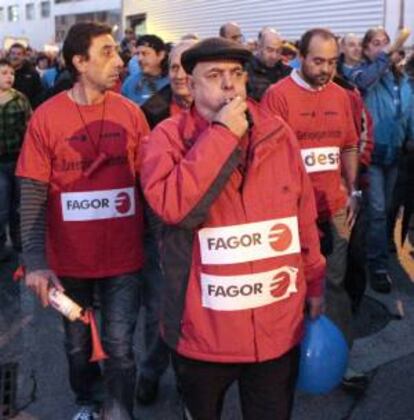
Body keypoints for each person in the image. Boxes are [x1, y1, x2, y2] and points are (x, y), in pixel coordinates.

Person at [140, 37, 325, 420]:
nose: (229, 84)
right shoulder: (166, 139)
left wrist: (315, 281)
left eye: (237, 73)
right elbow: (174, 207)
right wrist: (222, 134)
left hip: (275, 330)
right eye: (214, 75)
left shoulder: (279, 134)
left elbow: (302, 217)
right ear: (190, 86)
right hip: (203, 336)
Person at [16, 22, 150, 420]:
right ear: (79, 61)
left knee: (120, 346)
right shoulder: (46, 118)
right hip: (68, 264)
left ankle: (118, 411)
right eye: (107, 51)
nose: (120, 60)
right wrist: (37, 262)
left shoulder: (132, 115)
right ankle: (87, 402)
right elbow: (33, 195)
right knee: (77, 346)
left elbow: (150, 185)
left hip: (124, 261)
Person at [262, 28, 367, 389]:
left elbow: (350, 146)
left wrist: (354, 190)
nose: (325, 69)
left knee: (334, 286)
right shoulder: (277, 97)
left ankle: (338, 361)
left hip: (335, 208)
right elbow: (267, 159)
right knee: (290, 289)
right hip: (291, 215)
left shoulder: (342, 96)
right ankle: (284, 364)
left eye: (332, 61)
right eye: (318, 60)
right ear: (300, 57)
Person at [342, 27, 414, 293]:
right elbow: (363, 82)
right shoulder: (361, 73)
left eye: (386, 43)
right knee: (378, 212)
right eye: (376, 44)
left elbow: (408, 111)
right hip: (372, 155)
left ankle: (378, 255)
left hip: (395, 153)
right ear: (366, 49)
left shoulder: (401, 79)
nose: (383, 48)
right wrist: (387, 56)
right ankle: (376, 266)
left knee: (385, 215)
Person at [0, 59, 31, 261]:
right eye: (3, 73)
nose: (9, 76)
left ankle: (20, 242)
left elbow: (29, 127)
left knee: (18, 205)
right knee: (1, 206)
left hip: (17, 159)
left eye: (11, 73)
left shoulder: (20, 99)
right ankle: (1, 244)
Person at [121, 35, 169, 106]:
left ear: (160, 55)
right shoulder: (129, 83)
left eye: (145, 53)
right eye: (137, 54)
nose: (139, 58)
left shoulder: (174, 80)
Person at [246, 28, 291, 101]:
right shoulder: (246, 71)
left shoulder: (287, 72)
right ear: (259, 47)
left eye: (278, 51)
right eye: (270, 50)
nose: (274, 56)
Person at [8, 43, 42, 108]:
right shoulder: (3, 71)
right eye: (13, 53)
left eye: (19, 54)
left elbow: (39, 94)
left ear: (24, 56)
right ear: (9, 55)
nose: (15, 56)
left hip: (24, 111)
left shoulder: (32, 73)